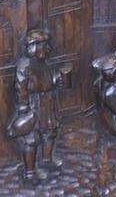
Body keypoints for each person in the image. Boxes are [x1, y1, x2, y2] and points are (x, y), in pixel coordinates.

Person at [6, 28, 70, 180]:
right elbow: (21, 87)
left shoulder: (43, 63)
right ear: (34, 47)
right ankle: (30, 173)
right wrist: (23, 107)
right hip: (33, 104)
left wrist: (56, 80)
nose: (48, 49)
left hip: (47, 102)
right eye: (44, 45)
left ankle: (47, 160)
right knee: (31, 138)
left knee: (50, 131)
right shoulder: (25, 65)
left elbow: (47, 81)